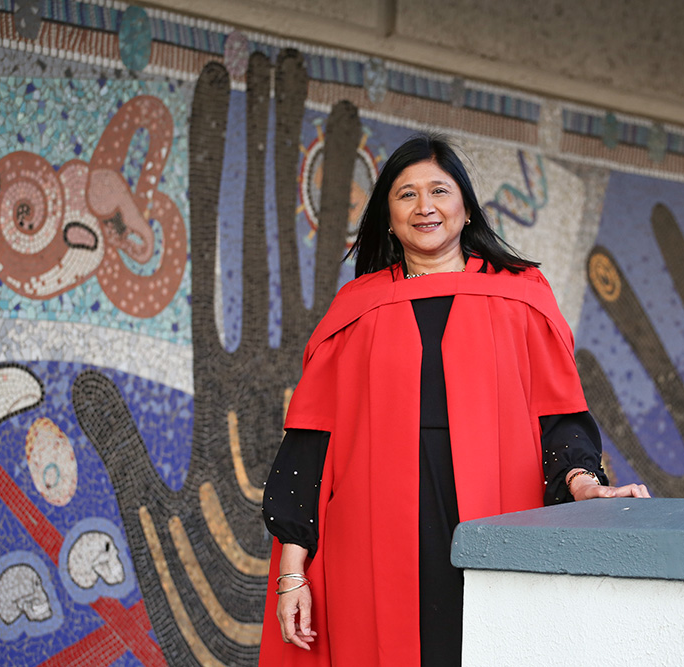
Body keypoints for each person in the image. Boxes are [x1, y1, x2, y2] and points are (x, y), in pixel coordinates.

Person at [259, 133, 650, 666]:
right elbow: (309, 446)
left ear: (465, 207)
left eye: (439, 190)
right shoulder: (356, 310)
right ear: (388, 217)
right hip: (370, 537)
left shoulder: (522, 295)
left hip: (498, 519)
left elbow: (559, 418)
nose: (425, 207)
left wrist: (585, 484)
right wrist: (292, 575)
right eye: (406, 194)